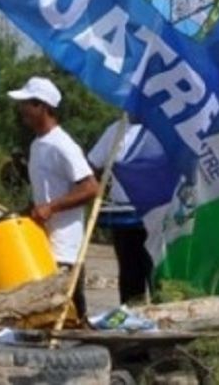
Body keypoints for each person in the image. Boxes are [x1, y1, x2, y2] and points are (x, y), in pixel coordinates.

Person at [8, 76, 98, 319]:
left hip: (65, 247)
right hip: (44, 242)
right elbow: (47, 191)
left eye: (27, 103)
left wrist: (51, 207)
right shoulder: (38, 144)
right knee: (44, 313)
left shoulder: (62, 145)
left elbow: (91, 187)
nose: (21, 109)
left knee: (70, 313)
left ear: (42, 106)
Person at [88, 120, 154, 305]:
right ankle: (132, 323)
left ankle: (165, 323)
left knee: (158, 276)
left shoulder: (163, 127)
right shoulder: (116, 130)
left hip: (157, 216)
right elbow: (92, 165)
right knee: (130, 275)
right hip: (124, 218)